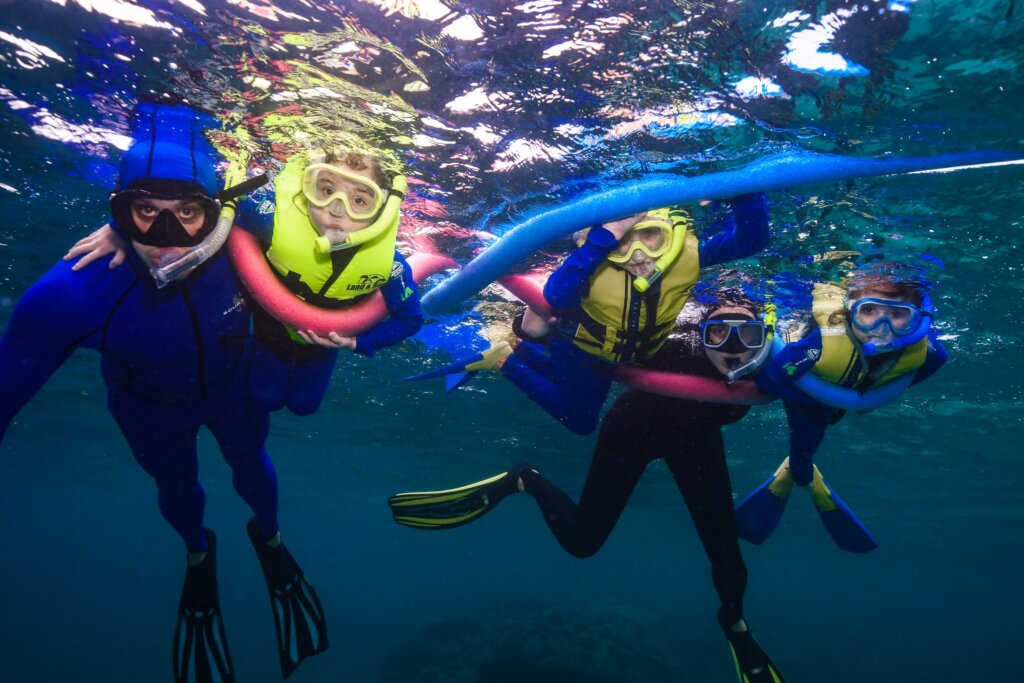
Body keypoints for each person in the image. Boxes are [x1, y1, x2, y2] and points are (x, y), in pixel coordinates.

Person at [1, 102, 328, 682]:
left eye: (188, 213)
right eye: (144, 212)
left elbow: (352, 243)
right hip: (148, 411)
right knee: (176, 484)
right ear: (117, 211)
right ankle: (197, 552)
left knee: (250, 462)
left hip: (233, 392)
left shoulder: (250, 239)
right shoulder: (73, 292)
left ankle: (270, 538)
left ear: (218, 210)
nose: (168, 237)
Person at [389, 290, 787, 683]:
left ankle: (735, 625)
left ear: (763, 335)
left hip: (697, 442)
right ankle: (525, 478)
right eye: (718, 333)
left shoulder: (767, 366)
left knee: (727, 556)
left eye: (747, 335)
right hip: (632, 429)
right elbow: (581, 349)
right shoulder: (673, 346)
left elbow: (829, 400)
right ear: (700, 332)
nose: (733, 347)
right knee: (582, 542)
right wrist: (523, 331)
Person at [68, 146, 424, 417]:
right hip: (269, 338)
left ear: (382, 210)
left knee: (304, 407)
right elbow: (205, 209)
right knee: (263, 399)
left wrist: (358, 341)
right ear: (305, 186)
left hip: (323, 350)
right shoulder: (270, 219)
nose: (335, 208)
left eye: (360, 199)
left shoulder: (390, 267)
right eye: (325, 188)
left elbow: (411, 320)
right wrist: (119, 228)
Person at [410, 194, 771, 435]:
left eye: (650, 238)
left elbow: (751, 239)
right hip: (582, 352)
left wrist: (743, 192)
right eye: (622, 242)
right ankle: (504, 358)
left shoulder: (688, 257)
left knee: (570, 381)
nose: (636, 255)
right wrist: (604, 240)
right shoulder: (594, 259)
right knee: (582, 422)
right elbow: (556, 294)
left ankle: (526, 347)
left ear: (674, 237)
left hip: (629, 355)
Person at [734, 269, 948, 552]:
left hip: (847, 394)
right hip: (808, 405)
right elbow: (770, 380)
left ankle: (800, 471)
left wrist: (868, 397)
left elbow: (920, 369)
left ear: (918, 318)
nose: (882, 328)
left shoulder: (930, 353)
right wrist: (816, 395)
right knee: (804, 444)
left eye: (898, 315)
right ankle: (800, 473)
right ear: (849, 311)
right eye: (869, 311)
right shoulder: (817, 345)